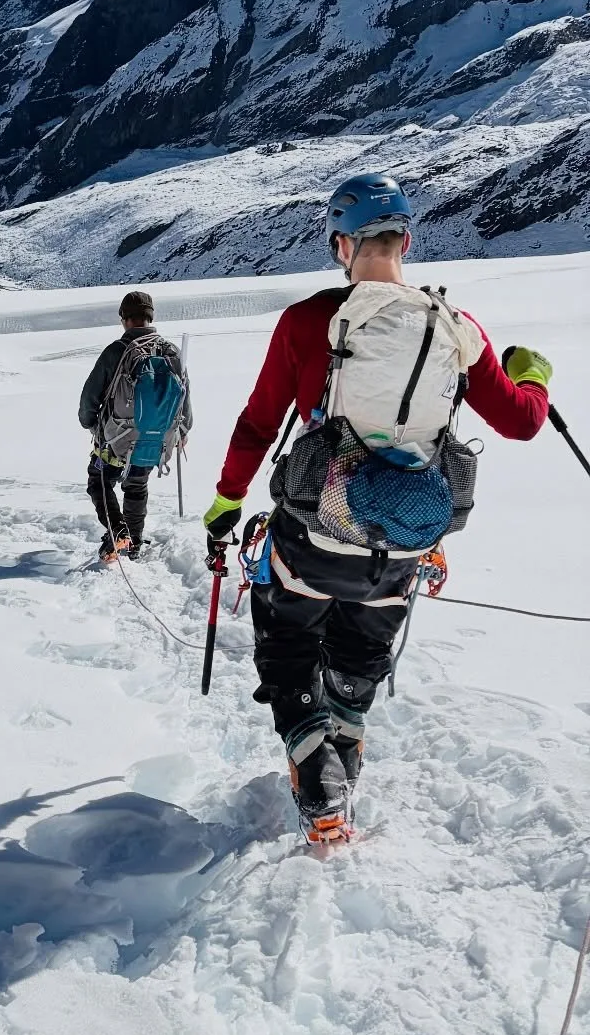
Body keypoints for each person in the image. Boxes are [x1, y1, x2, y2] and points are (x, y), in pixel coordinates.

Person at [203, 173, 551, 841]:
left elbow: (258, 423)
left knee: (287, 642)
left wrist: (226, 502)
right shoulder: (457, 328)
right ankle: (345, 740)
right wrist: (531, 374)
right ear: (406, 242)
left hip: (313, 534)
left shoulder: (309, 322)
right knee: (360, 649)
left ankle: (316, 767)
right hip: (402, 542)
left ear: (341, 245)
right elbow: (522, 421)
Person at [79, 289, 191, 561]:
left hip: (116, 439)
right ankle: (134, 543)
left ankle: (118, 532)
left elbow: (90, 397)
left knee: (99, 480)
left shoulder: (117, 351)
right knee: (137, 485)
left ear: (124, 318)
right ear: (150, 317)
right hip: (156, 440)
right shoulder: (171, 351)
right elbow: (184, 396)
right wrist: (182, 431)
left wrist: (90, 423)